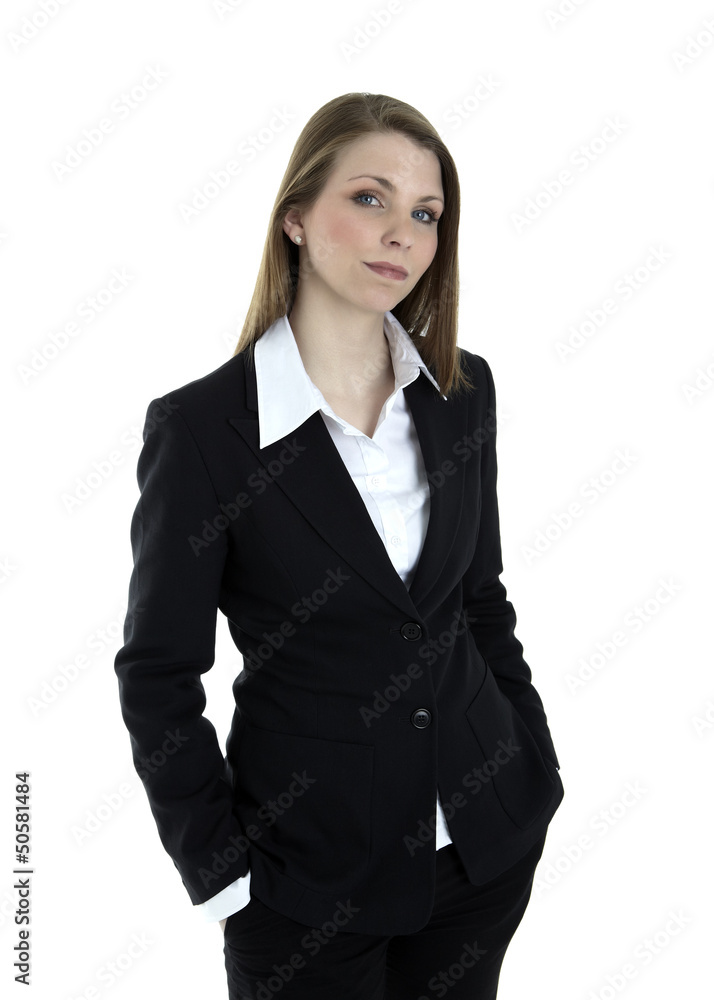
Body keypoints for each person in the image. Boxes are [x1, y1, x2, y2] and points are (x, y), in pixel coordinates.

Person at [114, 91, 564, 999]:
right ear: (294, 216)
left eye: (426, 215)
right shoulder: (203, 430)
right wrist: (224, 879)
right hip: (303, 885)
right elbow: (158, 676)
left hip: (483, 850)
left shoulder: (461, 391)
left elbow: (481, 599)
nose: (401, 232)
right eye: (371, 198)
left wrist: (533, 762)